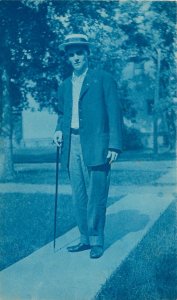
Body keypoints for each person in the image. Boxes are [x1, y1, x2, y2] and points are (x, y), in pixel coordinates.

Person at [53, 33, 123, 259]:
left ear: (87, 54)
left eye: (79, 53)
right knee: (79, 195)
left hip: (97, 144)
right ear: (68, 58)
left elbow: (114, 113)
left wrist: (114, 145)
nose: (76, 58)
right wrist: (58, 130)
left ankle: (97, 241)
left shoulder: (103, 79)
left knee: (96, 194)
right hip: (71, 143)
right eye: (71, 54)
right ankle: (84, 238)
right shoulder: (64, 85)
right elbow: (63, 113)